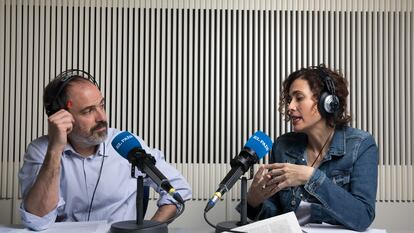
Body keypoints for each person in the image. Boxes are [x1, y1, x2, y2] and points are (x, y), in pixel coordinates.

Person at [18, 69, 192, 231]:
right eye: (88, 111)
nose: (102, 117)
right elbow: (38, 221)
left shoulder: (125, 143)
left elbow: (179, 189)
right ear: (60, 116)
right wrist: (55, 150)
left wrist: (151, 229)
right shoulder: (41, 151)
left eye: (101, 105)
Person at [246, 65, 378, 231]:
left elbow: (363, 216)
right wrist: (254, 202)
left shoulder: (361, 146)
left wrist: (311, 177)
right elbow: (276, 217)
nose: (290, 107)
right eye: (289, 99)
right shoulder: (283, 146)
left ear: (327, 102)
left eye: (299, 98)